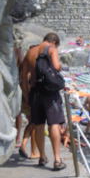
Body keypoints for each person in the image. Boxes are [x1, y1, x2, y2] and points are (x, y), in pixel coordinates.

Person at [20, 32, 66, 170]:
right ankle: (57, 160)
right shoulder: (51, 49)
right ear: (54, 42)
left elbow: (23, 77)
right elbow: (57, 66)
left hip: (35, 92)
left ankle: (42, 157)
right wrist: (59, 66)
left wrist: (27, 96)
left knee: (39, 125)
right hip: (49, 92)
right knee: (54, 124)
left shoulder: (30, 52)